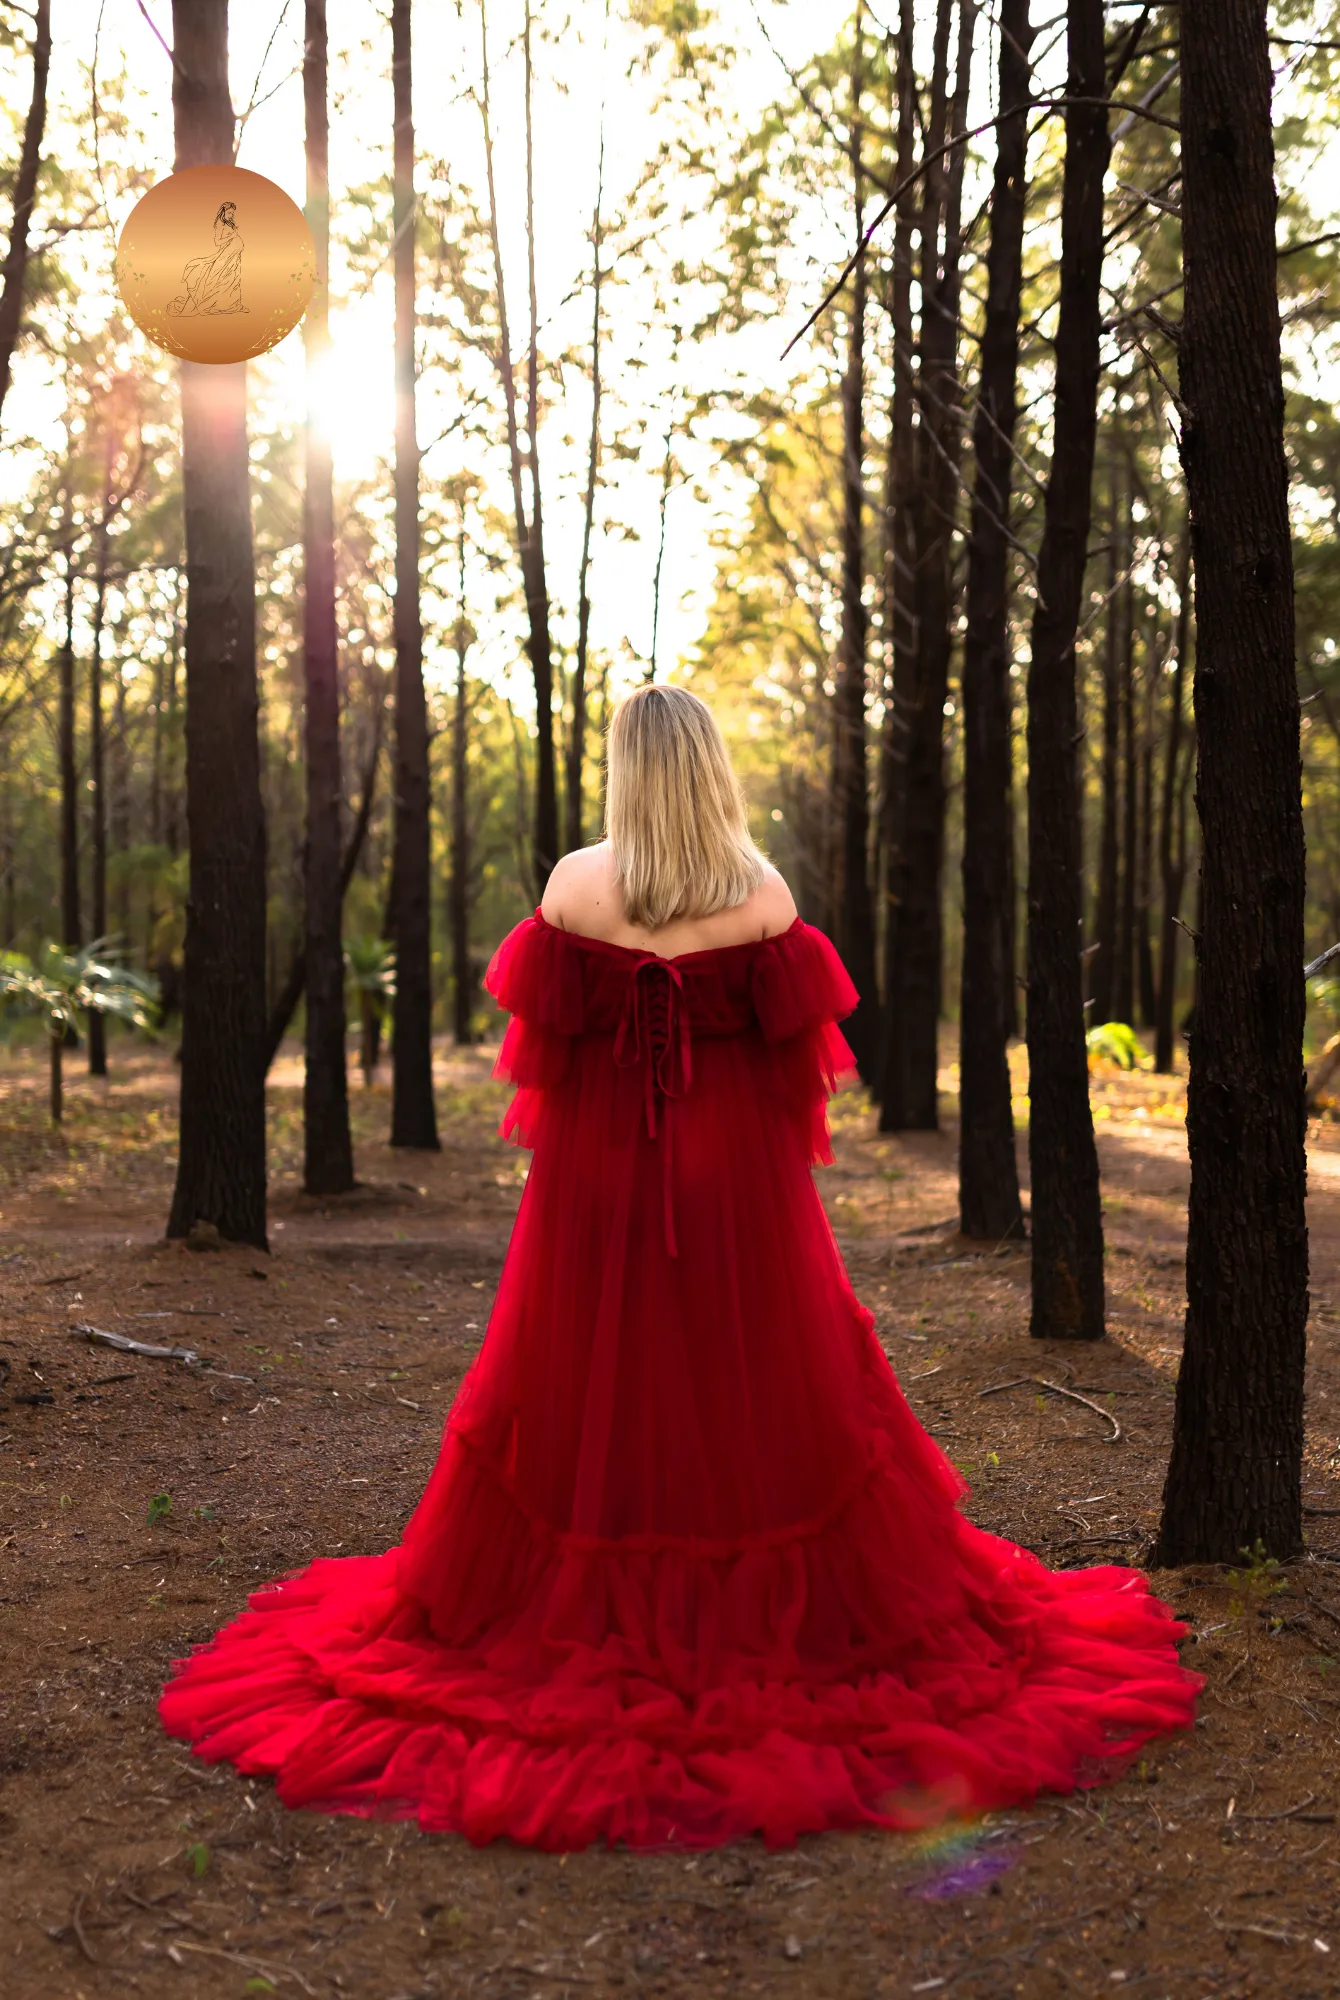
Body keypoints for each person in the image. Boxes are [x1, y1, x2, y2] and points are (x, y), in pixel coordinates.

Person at [160, 684, 1199, 1850]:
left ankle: (575, 1593)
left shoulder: (571, 885)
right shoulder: (761, 897)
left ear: (624, 766)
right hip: (735, 1188)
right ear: (709, 768)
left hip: (595, 1180)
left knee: (589, 1380)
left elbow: (538, 1071)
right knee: (744, 1381)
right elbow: (796, 1087)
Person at [167, 201, 248, 317]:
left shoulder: (230, 224)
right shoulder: (220, 225)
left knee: (233, 283)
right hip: (224, 258)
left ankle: (234, 305)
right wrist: (232, 236)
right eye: (229, 212)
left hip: (233, 258)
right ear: (223, 212)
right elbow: (217, 242)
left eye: (233, 213)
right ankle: (209, 306)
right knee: (217, 283)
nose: (232, 215)